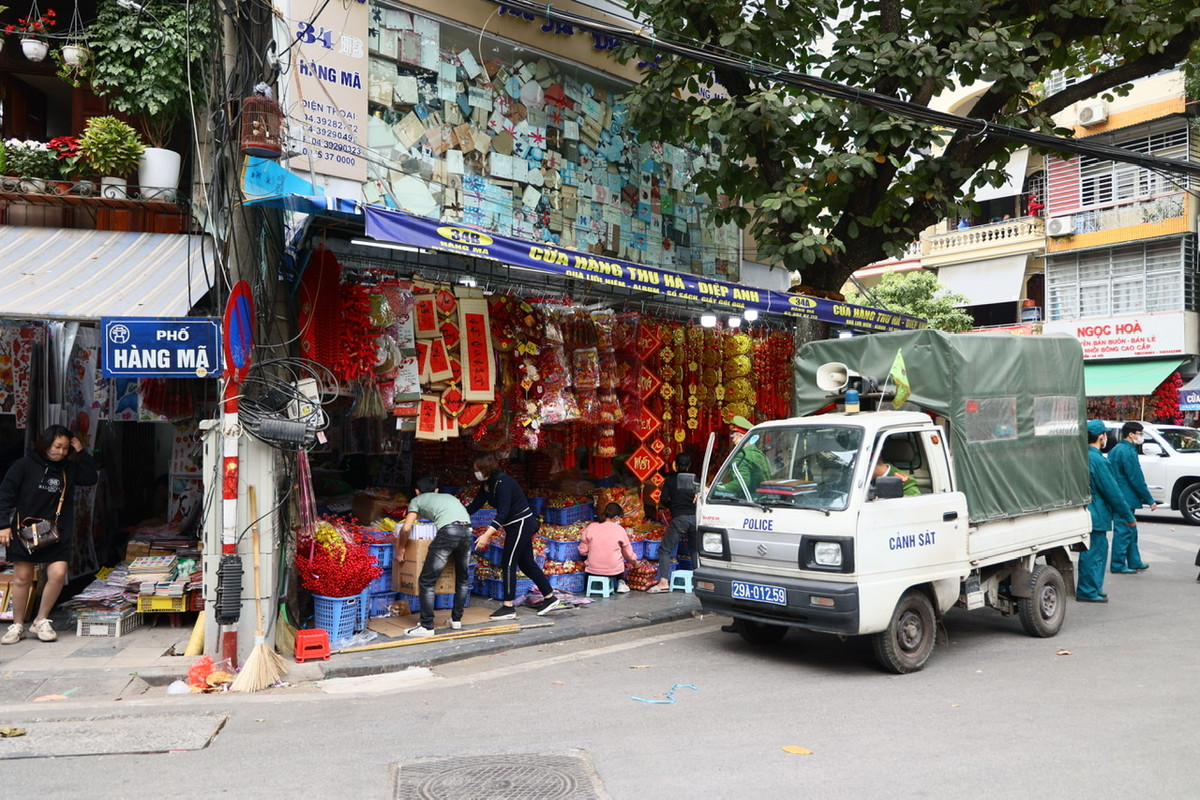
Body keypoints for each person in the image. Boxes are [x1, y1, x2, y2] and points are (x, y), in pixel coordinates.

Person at [0, 425, 98, 644]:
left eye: (65, 448)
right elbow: (5, 494)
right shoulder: (24, 465)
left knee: (58, 574)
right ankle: (17, 625)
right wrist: (2, 526)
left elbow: (90, 477)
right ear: (45, 444)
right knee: (22, 578)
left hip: (55, 532)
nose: (61, 452)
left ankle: (41, 620)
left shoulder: (68, 469)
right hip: (23, 531)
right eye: (57, 446)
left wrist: (81, 451)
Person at [469, 453, 560, 619]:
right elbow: (475, 505)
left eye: (477, 470)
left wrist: (486, 535)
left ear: (485, 468)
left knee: (508, 563)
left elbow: (502, 513)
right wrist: (457, 514)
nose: (476, 473)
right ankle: (549, 597)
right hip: (515, 526)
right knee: (526, 564)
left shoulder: (503, 483)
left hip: (521, 524)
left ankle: (508, 606)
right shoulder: (488, 484)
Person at [400, 476, 473, 637]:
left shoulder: (416, 500)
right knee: (462, 578)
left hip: (449, 532)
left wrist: (401, 548)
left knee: (426, 581)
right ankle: (456, 619)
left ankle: (426, 626)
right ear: (437, 490)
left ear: (417, 491)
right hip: (467, 530)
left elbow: (406, 528)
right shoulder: (449, 497)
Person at [1079, 420, 1136, 603]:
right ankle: (1088, 590)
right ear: (1101, 436)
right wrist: (1128, 516)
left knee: (1097, 552)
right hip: (1096, 513)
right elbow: (1113, 492)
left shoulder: (1083, 456)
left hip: (1089, 511)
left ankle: (1094, 587)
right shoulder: (1097, 460)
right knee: (1094, 554)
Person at [1107, 421, 1155, 574]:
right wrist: (1149, 499)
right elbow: (1136, 478)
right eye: (1140, 434)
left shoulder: (1117, 450)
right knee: (1124, 531)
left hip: (1121, 495)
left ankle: (1134, 561)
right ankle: (1118, 564)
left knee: (1130, 530)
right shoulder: (1127, 452)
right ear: (1131, 434)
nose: (1141, 437)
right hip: (1125, 497)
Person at [651, 453, 696, 592]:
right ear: (689, 465)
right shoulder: (695, 480)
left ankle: (663, 581)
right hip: (695, 518)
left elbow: (663, 499)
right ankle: (698, 579)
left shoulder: (670, 480)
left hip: (679, 518)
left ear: (675, 465)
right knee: (694, 550)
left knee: (664, 550)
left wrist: (673, 506)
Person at [578, 502, 637, 594]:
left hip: (593, 569)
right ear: (616, 517)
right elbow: (628, 555)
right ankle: (621, 582)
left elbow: (582, 551)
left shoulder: (591, 527)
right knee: (618, 558)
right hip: (614, 569)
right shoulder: (619, 529)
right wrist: (634, 561)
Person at [718, 415, 770, 495]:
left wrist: (716, 489)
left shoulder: (741, 456)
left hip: (747, 502)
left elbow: (740, 484)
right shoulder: (759, 454)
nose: (733, 440)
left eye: (734, 436)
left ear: (741, 437)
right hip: (762, 499)